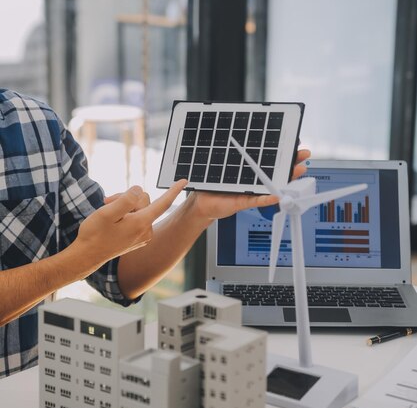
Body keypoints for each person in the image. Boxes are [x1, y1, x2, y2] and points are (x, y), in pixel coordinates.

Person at [0, 89, 310, 377]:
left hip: (30, 398)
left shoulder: (36, 124)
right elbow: (90, 255)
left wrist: (198, 209)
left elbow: (116, 275)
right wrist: (83, 257)